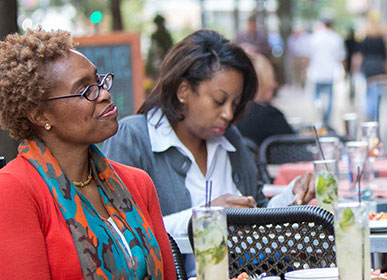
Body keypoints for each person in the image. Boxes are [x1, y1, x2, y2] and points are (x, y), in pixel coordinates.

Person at [0, 30, 176, 280]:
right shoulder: (13, 190)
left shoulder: (137, 183)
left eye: (99, 81)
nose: (105, 94)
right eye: (85, 90)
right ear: (39, 114)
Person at [102, 29, 315, 242]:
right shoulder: (133, 138)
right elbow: (122, 233)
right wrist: (205, 218)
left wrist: (292, 194)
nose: (228, 114)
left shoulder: (229, 138)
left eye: (236, 103)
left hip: (242, 275)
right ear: (183, 90)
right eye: (219, 101)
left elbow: (258, 213)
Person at [237, 53, 295, 147]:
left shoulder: (233, 115)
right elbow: (297, 147)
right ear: (261, 82)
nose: (274, 84)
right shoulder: (270, 116)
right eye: (270, 78)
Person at [305, 18, 346, 127]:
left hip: (316, 72)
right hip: (329, 73)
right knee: (329, 99)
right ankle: (326, 122)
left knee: (317, 98)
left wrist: (305, 70)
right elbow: (341, 57)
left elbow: (308, 56)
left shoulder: (314, 37)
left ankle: (319, 119)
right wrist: (344, 71)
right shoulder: (336, 38)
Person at [358, 17, 387, 121]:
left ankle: (369, 112)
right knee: (377, 90)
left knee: (368, 90)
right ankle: (375, 113)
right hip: (378, 64)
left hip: (367, 65)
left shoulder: (366, 39)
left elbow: (361, 55)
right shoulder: (381, 39)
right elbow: (385, 56)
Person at [146, 14, 174, 79]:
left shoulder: (166, 36)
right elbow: (152, 52)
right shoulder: (155, 36)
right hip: (157, 64)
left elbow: (170, 50)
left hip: (164, 63)